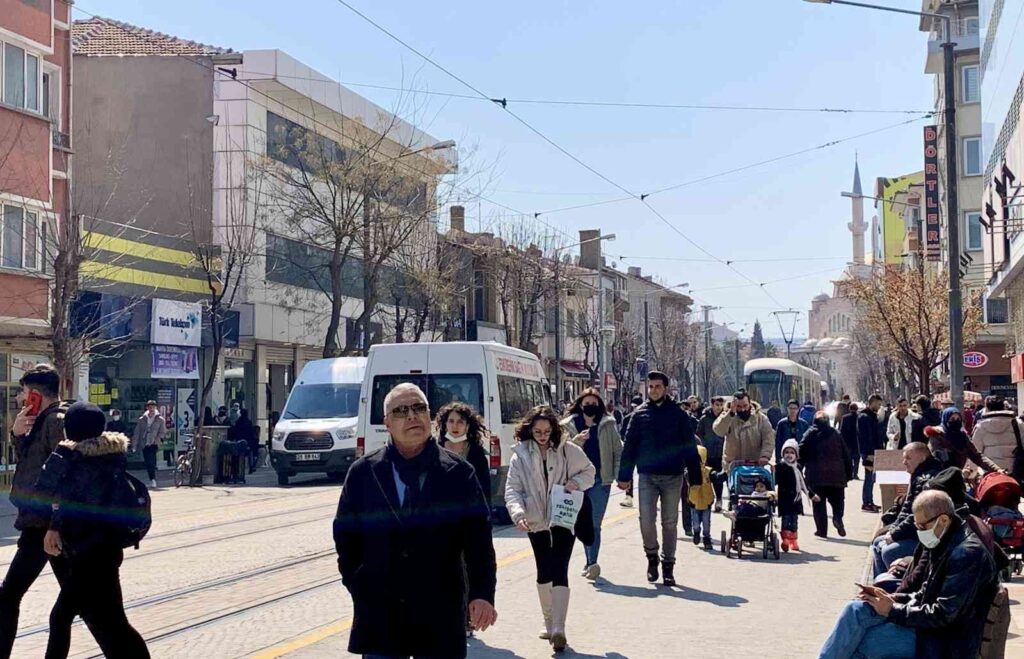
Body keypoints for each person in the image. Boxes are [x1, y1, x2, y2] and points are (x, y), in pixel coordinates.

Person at [334, 383, 497, 659]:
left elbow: (478, 541)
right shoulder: (364, 473)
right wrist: (360, 584)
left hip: (439, 615)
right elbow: (346, 537)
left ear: (430, 417)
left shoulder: (458, 473)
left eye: (419, 408)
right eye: (401, 410)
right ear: (387, 423)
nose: (412, 416)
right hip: (381, 614)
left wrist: (481, 594)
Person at [818, 491, 998, 659]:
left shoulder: (965, 554)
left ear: (943, 520)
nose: (919, 531)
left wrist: (892, 609)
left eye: (922, 526)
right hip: (926, 627)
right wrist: (892, 598)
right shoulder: (945, 539)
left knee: (863, 644)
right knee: (856, 609)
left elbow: (943, 614)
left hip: (944, 640)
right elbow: (924, 593)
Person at [35, 402, 150, 659]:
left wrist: (60, 454)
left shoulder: (81, 462)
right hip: (103, 552)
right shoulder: (107, 458)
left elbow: (43, 489)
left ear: (71, 430)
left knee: (61, 617)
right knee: (113, 623)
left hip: (90, 555)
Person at [507, 406, 594, 652]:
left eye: (547, 431)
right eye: (538, 431)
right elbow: (513, 489)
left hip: (563, 517)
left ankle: (559, 628)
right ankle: (548, 622)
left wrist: (575, 482)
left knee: (560, 567)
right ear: (529, 430)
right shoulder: (520, 455)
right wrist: (518, 513)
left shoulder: (568, 450)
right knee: (543, 568)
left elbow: (590, 472)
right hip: (535, 520)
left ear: (554, 430)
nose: (543, 436)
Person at [0, 365, 66, 658]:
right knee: (86, 605)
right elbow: (32, 462)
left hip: (46, 525)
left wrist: (55, 524)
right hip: (39, 523)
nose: (21, 398)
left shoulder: (56, 422)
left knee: (9, 595)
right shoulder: (41, 421)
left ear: (36, 394)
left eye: (25, 392)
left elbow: (63, 475)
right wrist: (17, 434)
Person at [616, 371, 703, 587]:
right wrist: (624, 476)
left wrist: (695, 478)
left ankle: (668, 566)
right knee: (646, 519)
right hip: (647, 475)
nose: (654, 390)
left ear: (666, 389)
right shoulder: (639, 414)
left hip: (673, 476)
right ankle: (652, 557)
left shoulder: (679, 415)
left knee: (669, 522)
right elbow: (629, 447)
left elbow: (689, 447)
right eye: (651, 386)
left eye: (657, 386)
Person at [561, 388, 622, 582]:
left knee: (594, 524)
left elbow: (617, 451)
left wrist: (620, 475)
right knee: (576, 523)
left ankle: (591, 562)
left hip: (599, 481)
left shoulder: (607, 424)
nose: (590, 407)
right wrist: (577, 441)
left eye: (594, 404)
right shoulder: (568, 426)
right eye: (586, 403)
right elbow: (560, 452)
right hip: (574, 481)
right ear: (580, 405)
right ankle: (588, 559)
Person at [869, 443, 942, 578]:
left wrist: (895, 534)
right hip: (913, 532)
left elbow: (916, 516)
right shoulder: (918, 474)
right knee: (878, 542)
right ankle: (881, 585)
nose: (904, 462)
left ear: (922, 457)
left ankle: (894, 585)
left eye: (908, 458)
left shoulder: (927, 479)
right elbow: (905, 510)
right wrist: (893, 530)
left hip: (924, 538)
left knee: (888, 551)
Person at [800, 411, 852, 538]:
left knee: (819, 505)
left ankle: (822, 531)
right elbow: (846, 455)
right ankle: (838, 518)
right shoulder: (835, 433)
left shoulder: (810, 434)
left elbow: (801, 451)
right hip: (837, 475)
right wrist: (848, 474)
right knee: (838, 501)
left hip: (816, 476)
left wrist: (799, 468)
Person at [437, 402, 491, 506]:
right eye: (451, 421)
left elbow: (484, 491)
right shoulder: (436, 450)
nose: (455, 426)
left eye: (460, 422)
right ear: (445, 425)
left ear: (467, 426)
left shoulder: (476, 454)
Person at [926, 407, 1002, 474]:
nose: (956, 421)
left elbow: (977, 456)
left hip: (956, 476)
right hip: (940, 476)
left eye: (958, 419)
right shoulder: (937, 436)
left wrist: (996, 469)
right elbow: (937, 458)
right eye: (952, 419)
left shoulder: (962, 436)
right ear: (945, 420)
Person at [713, 390, 773, 468]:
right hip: (732, 466)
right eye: (739, 407)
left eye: (745, 406)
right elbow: (718, 430)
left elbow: (768, 438)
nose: (742, 410)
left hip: (755, 466)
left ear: (750, 403)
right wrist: (730, 414)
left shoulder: (761, 418)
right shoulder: (727, 416)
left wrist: (765, 455)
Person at [777, 438, 816, 552]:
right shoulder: (780, 467)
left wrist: (812, 495)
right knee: (785, 520)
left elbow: (803, 484)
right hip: (784, 499)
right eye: (787, 452)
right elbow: (774, 481)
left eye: (792, 452)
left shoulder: (797, 468)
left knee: (794, 521)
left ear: (796, 455)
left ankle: (793, 541)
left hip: (795, 500)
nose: (789, 455)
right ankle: (785, 540)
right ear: (783, 454)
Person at [970, 395, 1019, 473]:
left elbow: (974, 453)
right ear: (1004, 407)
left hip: (990, 474)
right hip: (1016, 472)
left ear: (987, 408)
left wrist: (972, 473)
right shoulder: (1018, 424)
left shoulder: (981, 427)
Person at [695, 397, 726, 512]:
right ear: (712, 405)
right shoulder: (704, 419)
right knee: (707, 478)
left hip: (721, 453)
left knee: (719, 478)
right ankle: (708, 499)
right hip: (707, 454)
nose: (718, 407)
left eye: (720, 405)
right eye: (716, 404)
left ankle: (719, 499)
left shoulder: (725, 418)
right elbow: (699, 435)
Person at [858, 394, 886, 512]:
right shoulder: (864, 417)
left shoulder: (872, 416)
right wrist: (869, 454)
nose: (879, 407)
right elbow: (865, 437)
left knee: (872, 478)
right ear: (872, 402)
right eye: (878, 404)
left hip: (874, 451)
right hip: (869, 452)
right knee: (869, 478)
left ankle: (870, 500)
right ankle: (866, 502)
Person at [617, 395, 644, 508]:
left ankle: (648, 497)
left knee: (644, 475)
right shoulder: (628, 418)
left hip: (644, 452)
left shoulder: (646, 417)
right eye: (634, 406)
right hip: (632, 450)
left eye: (637, 406)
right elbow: (623, 433)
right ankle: (629, 496)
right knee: (630, 473)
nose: (635, 408)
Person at [132, 401, 165, 489]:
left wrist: (157, 439)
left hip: (154, 443)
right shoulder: (142, 419)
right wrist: (134, 445)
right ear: (147, 408)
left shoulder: (160, 419)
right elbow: (137, 432)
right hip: (145, 443)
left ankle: (153, 479)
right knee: (147, 462)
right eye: (149, 407)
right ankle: (152, 478)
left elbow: (162, 432)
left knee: (152, 461)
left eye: (153, 407)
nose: (151, 409)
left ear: (155, 407)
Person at [688, 444, 715, 551]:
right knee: (695, 523)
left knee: (706, 522)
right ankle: (696, 533)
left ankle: (707, 538)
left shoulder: (708, 471)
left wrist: (723, 475)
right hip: (694, 501)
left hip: (706, 501)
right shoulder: (689, 471)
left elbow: (715, 476)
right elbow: (686, 476)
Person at [228, 409, 259, 474]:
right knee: (250, 454)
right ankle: (251, 467)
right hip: (248, 442)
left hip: (239, 442)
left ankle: (237, 469)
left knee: (239, 455)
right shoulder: (248, 422)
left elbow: (235, 431)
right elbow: (251, 433)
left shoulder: (238, 422)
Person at [839, 402, 860, 480]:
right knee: (857, 459)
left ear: (849, 409)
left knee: (849, 458)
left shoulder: (845, 418)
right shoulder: (859, 417)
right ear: (857, 409)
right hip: (857, 442)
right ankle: (855, 473)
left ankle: (850, 473)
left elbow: (841, 430)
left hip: (847, 442)